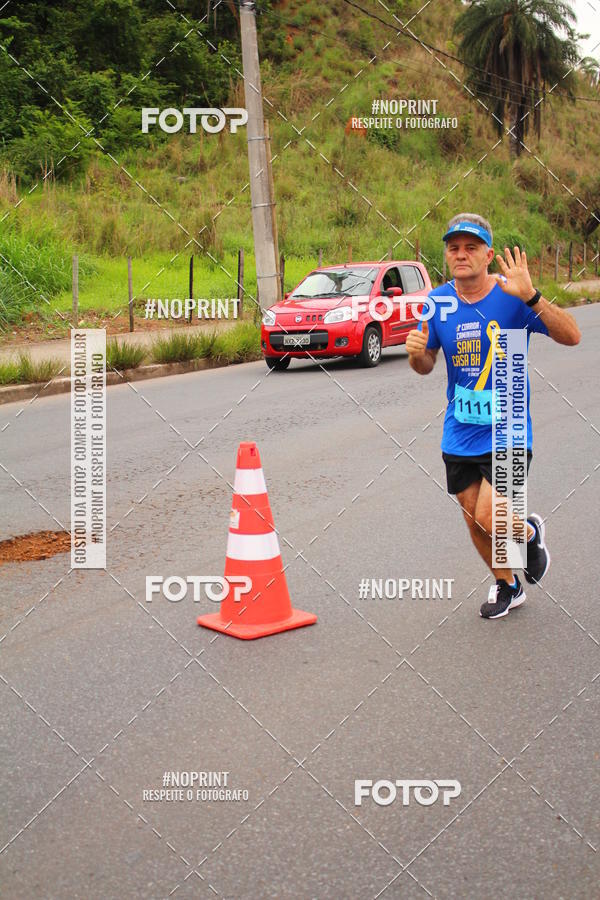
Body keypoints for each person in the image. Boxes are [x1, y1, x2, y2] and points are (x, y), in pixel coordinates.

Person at [406, 213, 581, 619]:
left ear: (488, 254)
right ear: (447, 255)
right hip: (460, 431)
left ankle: (530, 534)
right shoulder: (438, 302)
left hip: (510, 427)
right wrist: (417, 353)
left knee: (490, 514)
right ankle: (508, 584)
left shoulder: (511, 295)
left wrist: (533, 296)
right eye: (454, 248)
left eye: (471, 247)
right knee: (475, 522)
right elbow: (426, 364)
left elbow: (573, 336)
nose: (461, 254)